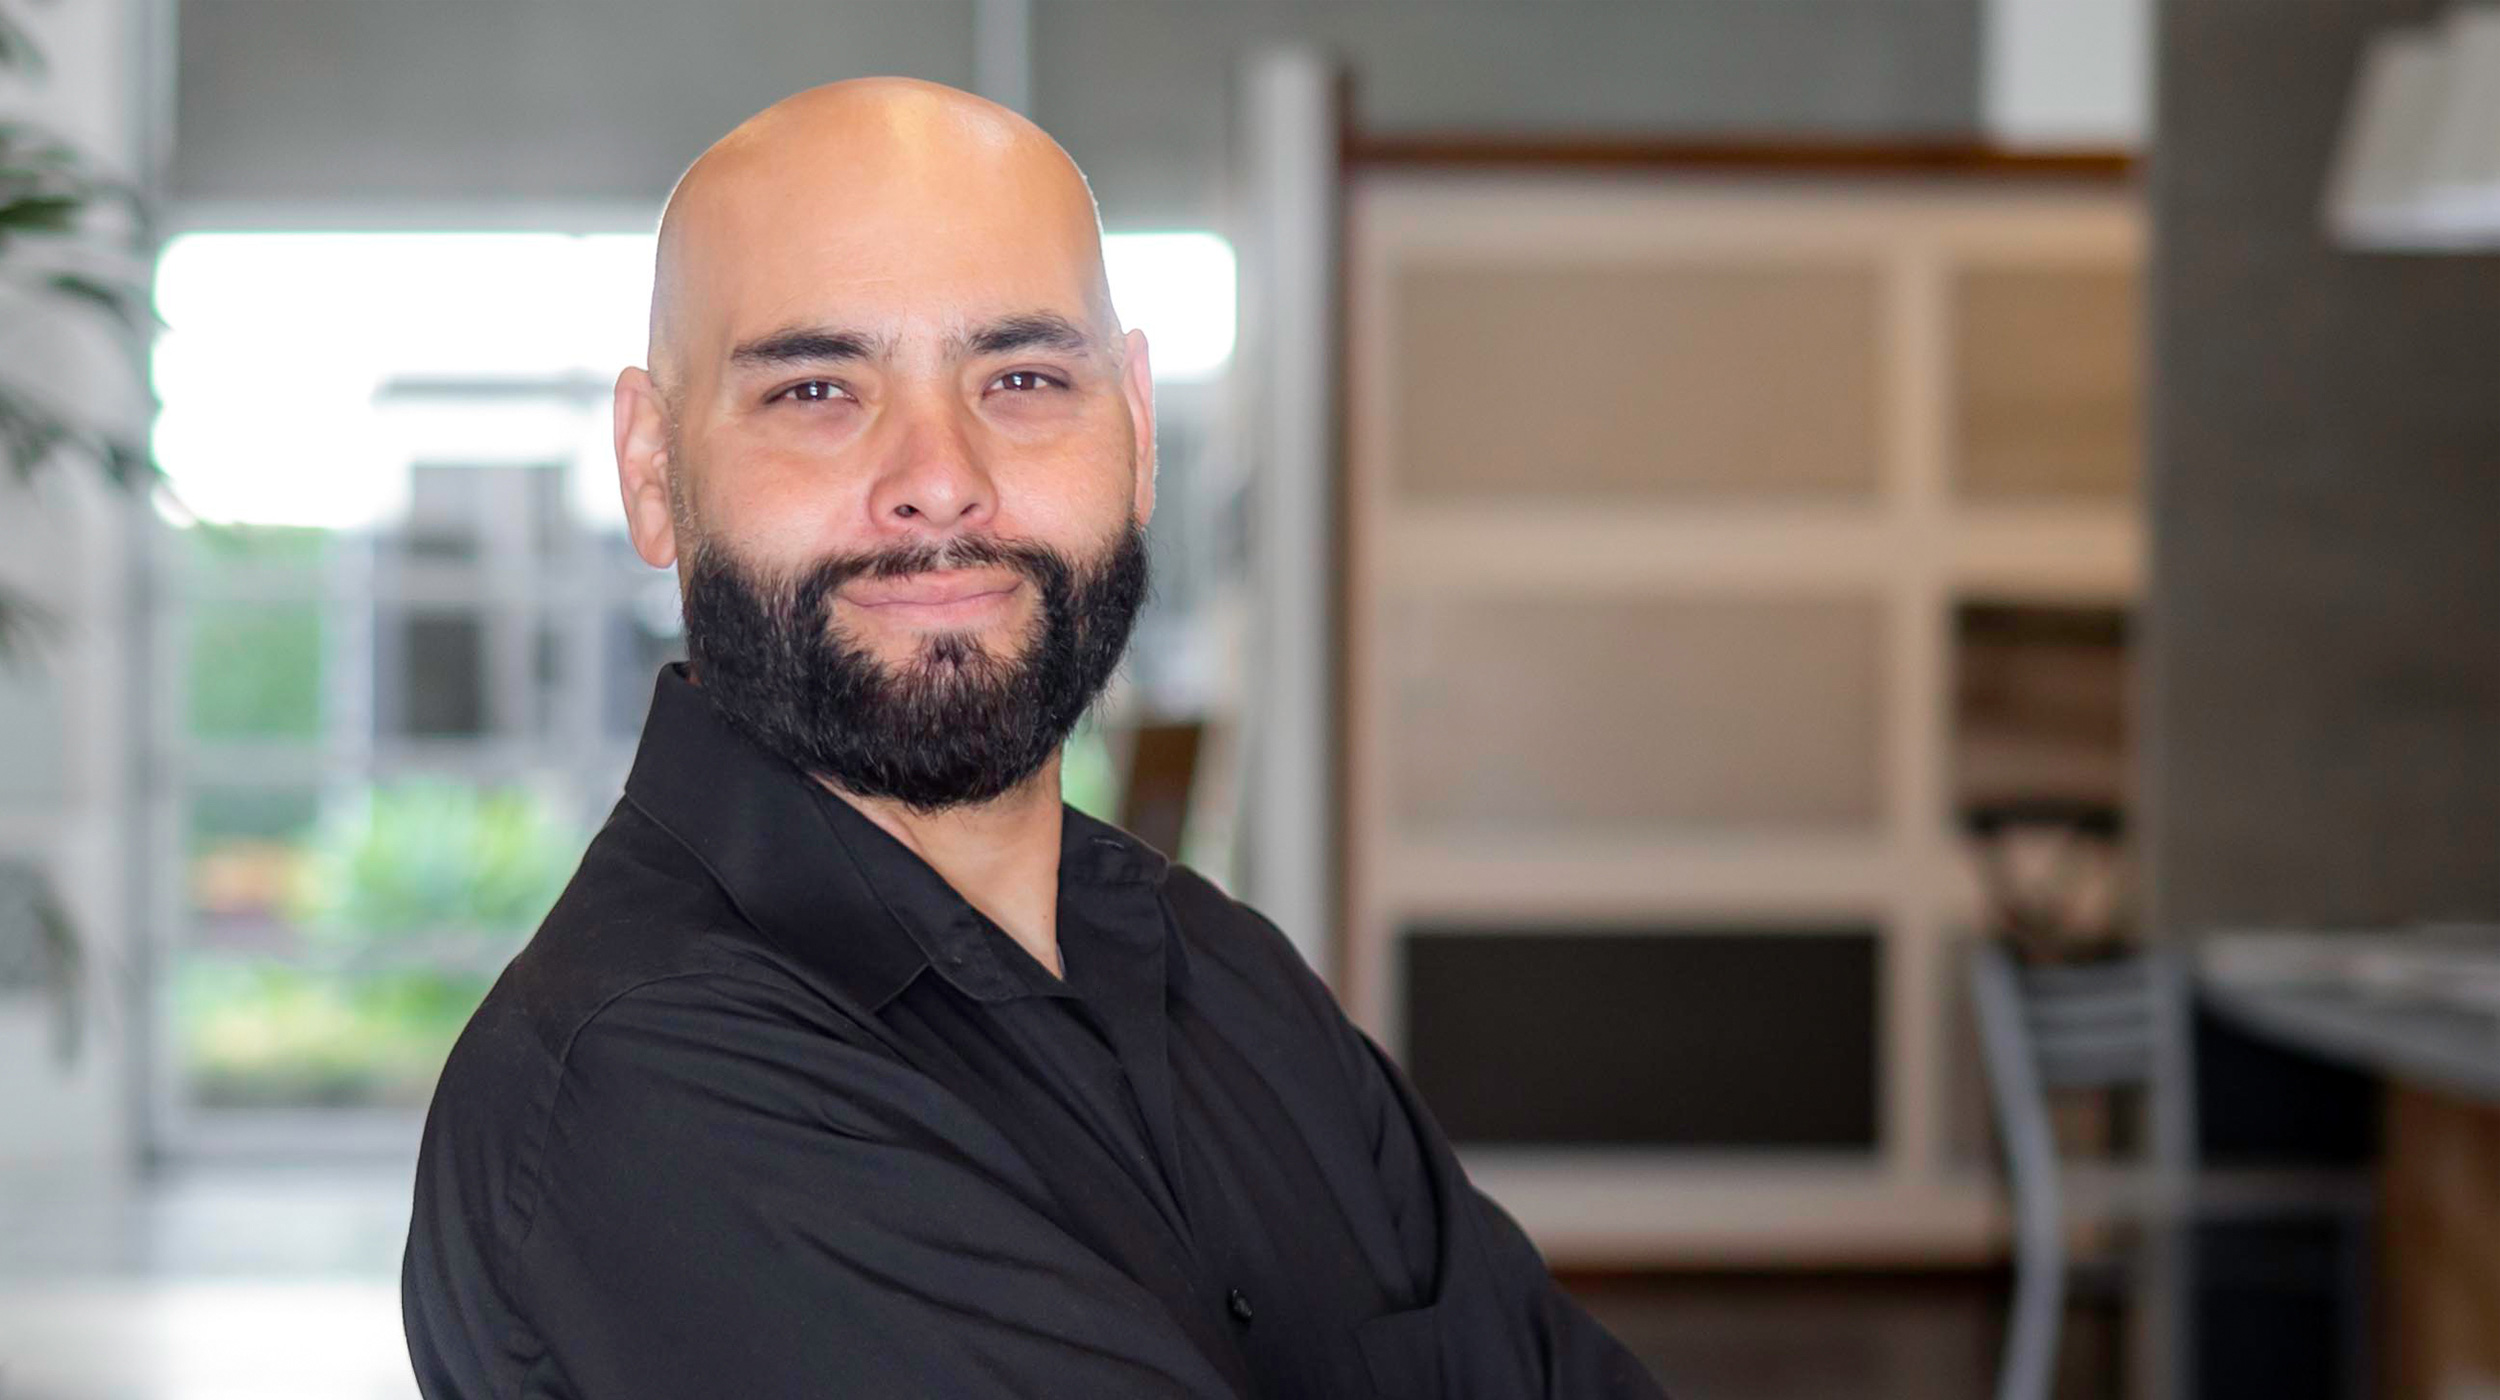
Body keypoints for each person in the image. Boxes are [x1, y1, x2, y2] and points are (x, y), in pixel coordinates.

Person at [401, 76, 1667, 1399]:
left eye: (1021, 376)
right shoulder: (652, 1082)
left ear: (1138, 430)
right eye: (819, 389)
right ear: (655, 474)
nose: (940, 476)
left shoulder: (1223, 975)